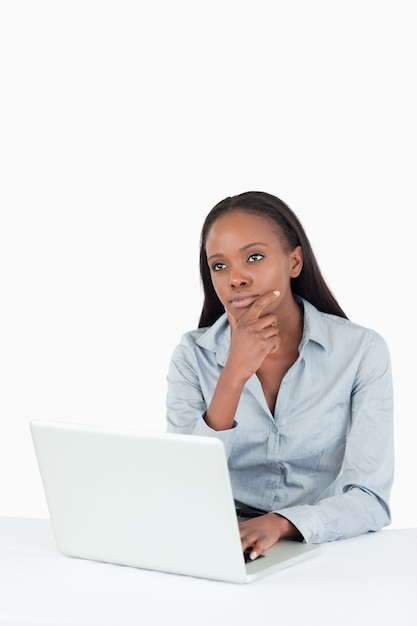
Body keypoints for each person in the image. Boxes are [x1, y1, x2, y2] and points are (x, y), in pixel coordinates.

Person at [166, 191, 394, 561]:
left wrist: (281, 522)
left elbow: (370, 500)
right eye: (219, 266)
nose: (235, 278)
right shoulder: (193, 356)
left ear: (294, 261)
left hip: (324, 545)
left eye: (253, 257)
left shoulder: (361, 352)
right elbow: (181, 485)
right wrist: (233, 375)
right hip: (223, 542)